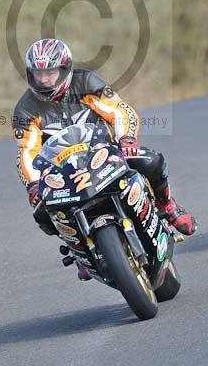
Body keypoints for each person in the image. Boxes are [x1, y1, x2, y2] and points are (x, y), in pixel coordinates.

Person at [12, 38, 197, 277]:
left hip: (106, 152)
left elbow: (119, 110)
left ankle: (167, 206)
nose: (45, 79)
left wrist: (126, 139)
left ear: (65, 68)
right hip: (64, 171)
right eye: (38, 74)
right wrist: (34, 184)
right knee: (42, 211)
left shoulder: (86, 82)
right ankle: (79, 249)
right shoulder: (25, 109)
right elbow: (27, 151)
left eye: (51, 72)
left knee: (150, 161)